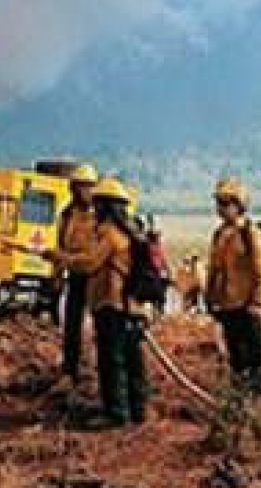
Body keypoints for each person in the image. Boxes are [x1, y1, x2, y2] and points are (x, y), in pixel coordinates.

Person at [43, 176, 149, 429]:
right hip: (128, 307)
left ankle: (116, 414)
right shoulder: (128, 232)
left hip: (112, 304)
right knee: (132, 361)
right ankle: (136, 410)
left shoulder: (110, 235)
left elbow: (90, 263)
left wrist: (61, 258)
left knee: (112, 360)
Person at [205, 177, 261, 392]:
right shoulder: (219, 235)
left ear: (239, 206)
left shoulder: (250, 233)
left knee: (254, 359)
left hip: (247, 305)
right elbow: (214, 270)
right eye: (219, 204)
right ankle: (239, 397)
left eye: (226, 204)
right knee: (236, 357)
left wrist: (255, 299)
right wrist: (210, 297)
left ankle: (254, 401)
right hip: (227, 305)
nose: (221, 209)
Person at [55, 164, 99, 385]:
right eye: (80, 187)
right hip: (74, 275)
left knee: (100, 326)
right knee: (71, 325)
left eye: (88, 187)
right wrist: (56, 273)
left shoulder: (101, 216)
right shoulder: (66, 215)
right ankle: (70, 370)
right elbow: (60, 244)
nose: (84, 192)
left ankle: (97, 371)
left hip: (96, 277)